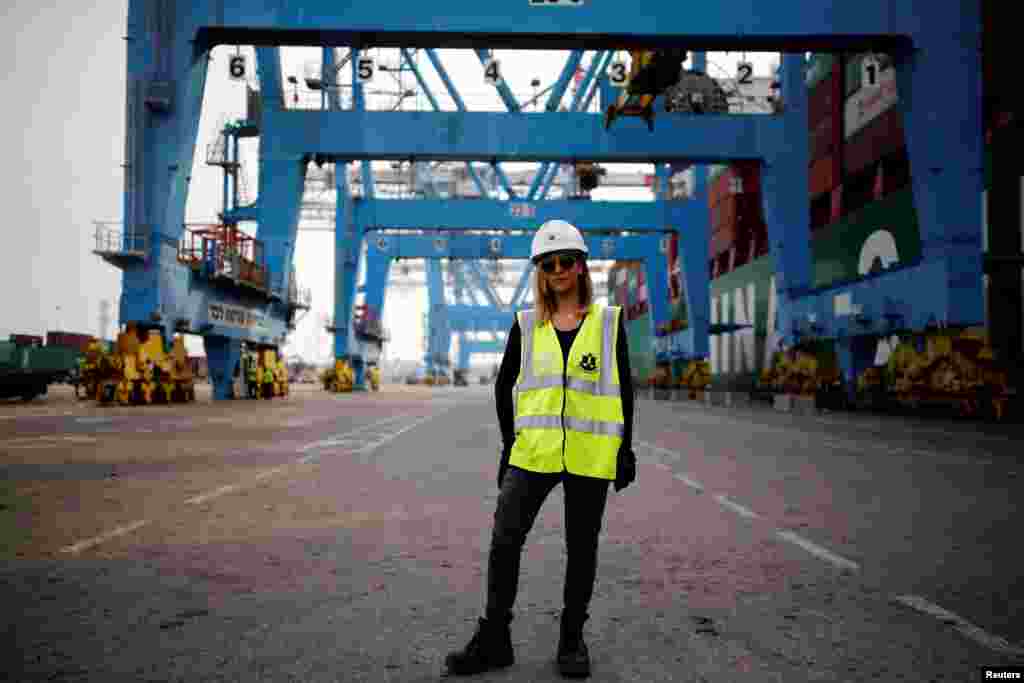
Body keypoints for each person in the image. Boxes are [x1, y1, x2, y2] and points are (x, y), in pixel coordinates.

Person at [445, 219, 637, 679]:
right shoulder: (527, 325)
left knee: (581, 548)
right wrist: (509, 444)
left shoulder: (608, 323)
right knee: (504, 539)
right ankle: (494, 638)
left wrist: (625, 448)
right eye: (548, 264)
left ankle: (572, 640)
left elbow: (625, 388)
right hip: (533, 453)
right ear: (540, 271)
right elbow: (502, 386)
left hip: (590, 455)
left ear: (581, 265)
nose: (558, 270)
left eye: (566, 261)